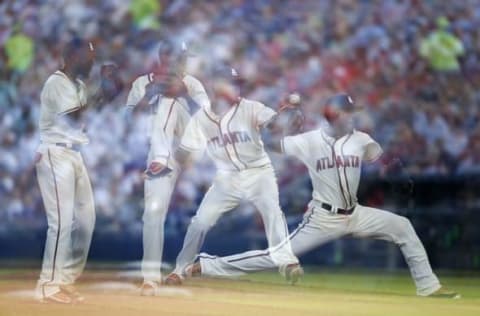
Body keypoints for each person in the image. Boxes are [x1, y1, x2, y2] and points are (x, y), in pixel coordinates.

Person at [190, 94, 460, 298]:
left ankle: (428, 286)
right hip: (322, 218)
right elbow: (272, 144)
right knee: (276, 256)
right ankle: (208, 265)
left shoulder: (361, 139)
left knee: (403, 226)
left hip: (355, 214)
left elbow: (380, 157)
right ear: (334, 114)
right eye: (348, 112)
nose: (353, 117)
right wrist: (277, 122)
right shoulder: (309, 141)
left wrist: (393, 169)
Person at [163, 65, 301, 286]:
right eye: (231, 83)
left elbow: (273, 124)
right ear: (216, 87)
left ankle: (288, 262)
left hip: (258, 170)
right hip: (227, 178)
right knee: (200, 223)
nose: (236, 88)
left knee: (272, 211)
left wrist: (286, 118)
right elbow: (184, 152)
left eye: (237, 84)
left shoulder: (250, 107)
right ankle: (180, 270)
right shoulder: (201, 118)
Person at [125, 41, 209, 295]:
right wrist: (150, 94)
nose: (181, 63)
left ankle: (160, 158)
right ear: (163, 56)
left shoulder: (191, 83)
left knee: (169, 101)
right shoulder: (142, 83)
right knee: (153, 214)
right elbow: (127, 119)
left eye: (183, 58)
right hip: (161, 155)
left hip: (192, 147)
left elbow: (208, 116)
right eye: (177, 57)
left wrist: (182, 93)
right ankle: (151, 277)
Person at [34, 38, 98, 304]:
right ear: (71, 56)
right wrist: (101, 92)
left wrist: (109, 91)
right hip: (56, 152)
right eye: (88, 56)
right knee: (60, 222)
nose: (92, 60)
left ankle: (65, 278)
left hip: (75, 154)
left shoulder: (80, 86)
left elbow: (85, 114)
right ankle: (47, 285)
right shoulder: (55, 82)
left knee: (86, 221)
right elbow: (72, 116)